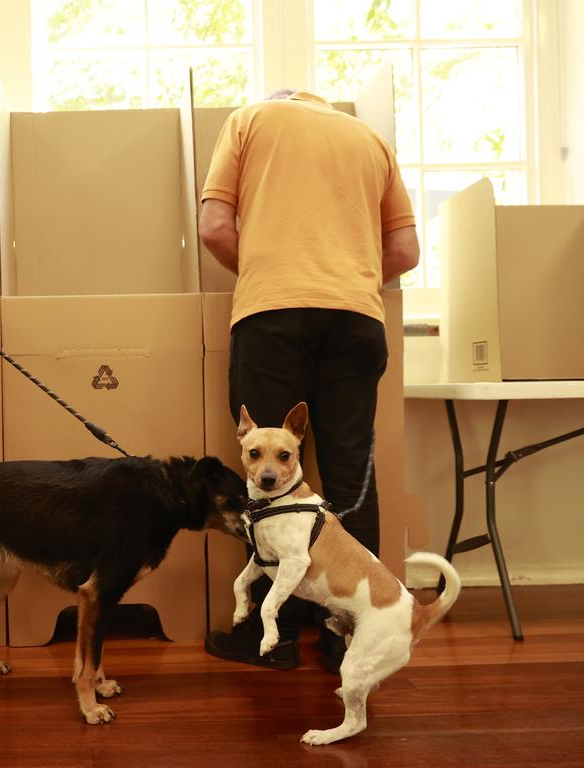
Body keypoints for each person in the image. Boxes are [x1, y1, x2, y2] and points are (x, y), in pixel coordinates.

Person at [198, 89, 420, 673]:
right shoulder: (373, 141)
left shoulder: (250, 119)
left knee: (267, 471)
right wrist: (348, 274)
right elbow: (405, 249)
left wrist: (275, 273)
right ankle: (349, 634)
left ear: (281, 98)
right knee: (352, 477)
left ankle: (274, 637)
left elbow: (215, 227)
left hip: (273, 314)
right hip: (356, 319)